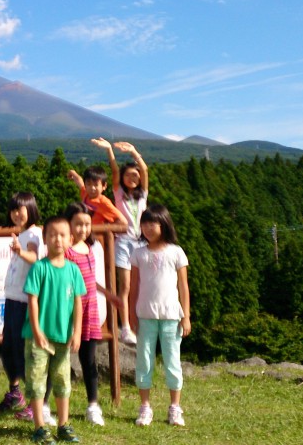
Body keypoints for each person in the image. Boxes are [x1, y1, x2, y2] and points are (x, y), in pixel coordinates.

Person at [22, 216, 86, 444]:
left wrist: (77, 332)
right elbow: (32, 300)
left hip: (63, 337)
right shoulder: (39, 268)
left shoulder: (74, 270)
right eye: (52, 235)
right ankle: (39, 426)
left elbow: (78, 303)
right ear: (45, 239)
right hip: (38, 338)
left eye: (62, 235)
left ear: (70, 239)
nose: (57, 239)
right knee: (37, 381)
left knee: (62, 380)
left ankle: (63, 425)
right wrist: (37, 330)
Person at [129, 203, 191, 427]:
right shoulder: (138, 254)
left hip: (171, 316)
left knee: (172, 361)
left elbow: (183, 286)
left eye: (152, 223)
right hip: (145, 315)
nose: (148, 227)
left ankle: (175, 407)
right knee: (144, 361)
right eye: (144, 223)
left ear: (164, 224)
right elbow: (133, 287)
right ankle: (145, 407)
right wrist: (130, 313)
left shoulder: (176, 252)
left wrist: (187, 317)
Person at [63, 202, 119, 426]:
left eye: (87, 225)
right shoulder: (64, 251)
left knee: (89, 360)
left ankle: (93, 405)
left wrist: (108, 294)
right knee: (58, 358)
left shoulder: (90, 249)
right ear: (69, 224)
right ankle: (45, 404)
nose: (83, 229)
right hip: (67, 311)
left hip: (90, 310)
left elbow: (90, 281)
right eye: (78, 224)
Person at [0, 191, 51, 424]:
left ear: (31, 209)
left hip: (25, 302)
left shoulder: (33, 234)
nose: (16, 213)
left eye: (21, 208)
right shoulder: (22, 233)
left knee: (22, 354)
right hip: (12, 299)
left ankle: (35, 403)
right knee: (9, 351)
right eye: (13, 209)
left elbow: (34, 255)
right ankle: (18, 394)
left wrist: (21, 251)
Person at [96, 138, 149, 345]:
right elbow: (114, 171)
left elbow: (145, 170)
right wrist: (110, 151)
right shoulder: (119, 194)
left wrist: (134, 152)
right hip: (124, 242)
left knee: (139, 286)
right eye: (129, 175)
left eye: (135, 175)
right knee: (125, 286)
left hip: (142, 243)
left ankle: (138, 325)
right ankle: (125, 327)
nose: (132, 177)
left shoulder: (143, 195)